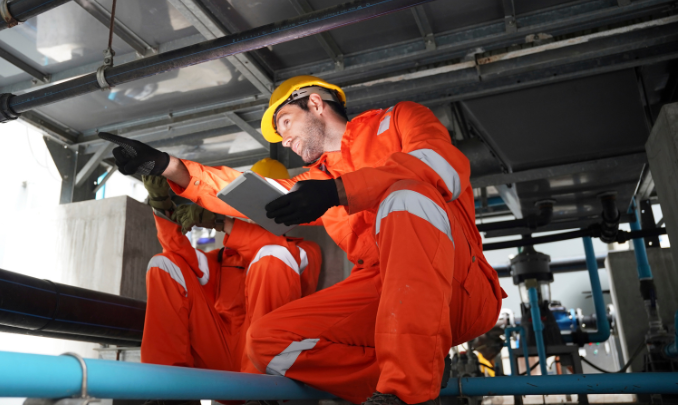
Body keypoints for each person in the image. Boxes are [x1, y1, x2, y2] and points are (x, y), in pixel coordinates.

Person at [100, 75, 506, 405]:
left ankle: (407, 392)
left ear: (315, 103)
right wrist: (168, 166)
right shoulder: (318, 181)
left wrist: (340, 193)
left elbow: (443, 167)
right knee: (266, 341)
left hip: (457, 283)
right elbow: (245, 194)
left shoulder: (399, 120)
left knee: (404, 198)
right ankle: (415, 370)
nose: (284, 140)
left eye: (286, 124)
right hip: (386, 299)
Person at [139, 166, 322, 375]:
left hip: (266, 364)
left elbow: (271, 248)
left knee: (274, 254)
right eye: (254, 205)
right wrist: (161, 206)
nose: (258, 213)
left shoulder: (303, 252)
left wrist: (221, 222)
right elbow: (178, 256)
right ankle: (165, 386)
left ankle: (261, 389)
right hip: (218, 354)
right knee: (163, 264)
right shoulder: (222, 257)